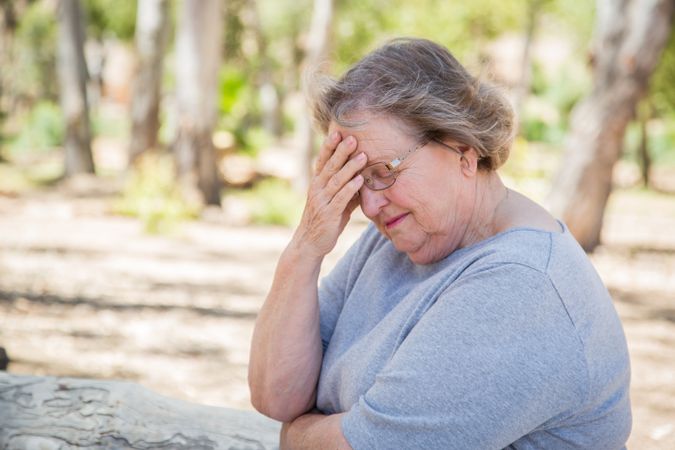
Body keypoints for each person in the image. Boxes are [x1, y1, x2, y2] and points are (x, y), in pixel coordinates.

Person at [248, 38, 632, 449]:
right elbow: (277, 396)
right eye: (354, 178)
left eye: (384, 171)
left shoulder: (519, 287)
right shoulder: (398, 236)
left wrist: (298, 434)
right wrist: (307, 246)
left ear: (463, 152)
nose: (370, 203)